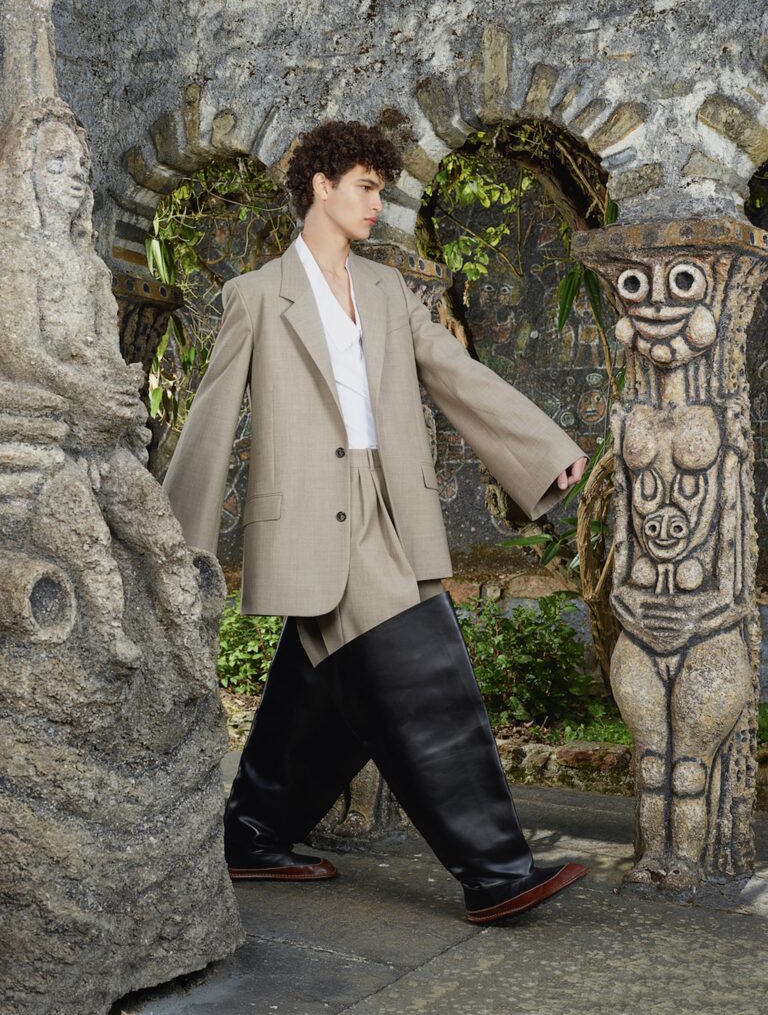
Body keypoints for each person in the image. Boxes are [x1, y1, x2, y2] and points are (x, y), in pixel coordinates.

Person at [162, 119, 590, 924]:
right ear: (321, 186)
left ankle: (251, 831)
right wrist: (172, 544)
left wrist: (542, 451)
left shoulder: (388, 290)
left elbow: (454, 372)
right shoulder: (257, 295)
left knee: (329, 674)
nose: (375, 204)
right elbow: (212, 417)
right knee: (423, 657)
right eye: (364, 186)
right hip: (313, 510)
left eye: (382, 189)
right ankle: (495, 870)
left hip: (389, 499)